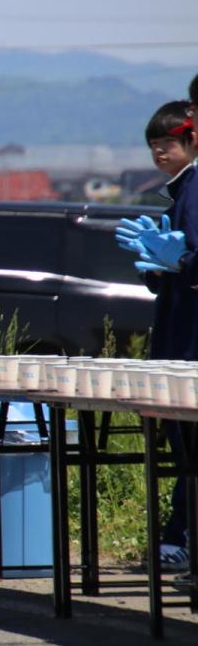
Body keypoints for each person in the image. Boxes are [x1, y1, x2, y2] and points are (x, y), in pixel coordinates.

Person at [115, 100, 198, 573]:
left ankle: (180, 536)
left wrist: (180, 262)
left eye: (167, 142)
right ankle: (179, 533)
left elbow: (191, 261)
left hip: (188, 341)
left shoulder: (194, 188)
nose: (159, 151)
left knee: (187, 445)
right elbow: (176, 267)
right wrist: (157, 267)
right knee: (182, 443)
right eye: (153, 144)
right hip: (176, 331)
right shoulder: (182, 189)